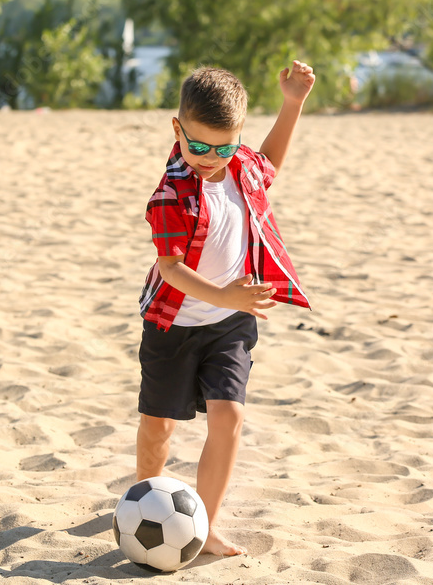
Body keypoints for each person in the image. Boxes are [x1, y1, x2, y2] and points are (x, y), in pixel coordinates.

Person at [135, 62, 316, 556]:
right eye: (198, 146)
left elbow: (271, 162)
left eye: (225, 146)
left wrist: (292, 103)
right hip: (173, 324)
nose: (210, 158)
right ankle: (144, 503)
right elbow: (170, 269)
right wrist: (227, 295)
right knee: (158, 428)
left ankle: (206, 525)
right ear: (178, 130)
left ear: (239, 137)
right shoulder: (171, 194)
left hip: (230, 326)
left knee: (228, 417)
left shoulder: (241, 168)